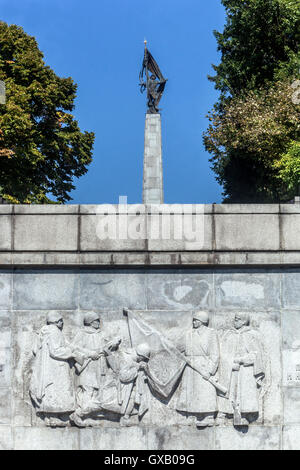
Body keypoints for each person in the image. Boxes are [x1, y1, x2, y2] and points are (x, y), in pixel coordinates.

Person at [29, 312, 83, 427]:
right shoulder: (55, 331)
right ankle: (54, 418)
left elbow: (35, 349)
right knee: (57, 390)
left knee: (51, 391)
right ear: (57, 321)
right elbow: (55, 351)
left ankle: (51, 417)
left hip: (50, 367)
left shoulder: (44, 331)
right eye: (61, 320)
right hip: (56, 367)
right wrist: (71, 353)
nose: (62, 323)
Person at [70, 312, 121, 426]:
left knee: (98, 390)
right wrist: (90, 353)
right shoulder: (82, 334)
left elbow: (108, 344)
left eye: (98, 320)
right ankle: (80, 416)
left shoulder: (101, 334)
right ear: (90, 322)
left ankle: (90, 415)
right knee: (88, 389)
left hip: (100, 366)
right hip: (88, 366)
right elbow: (73, 348)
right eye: (96, 321)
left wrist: (115, 341)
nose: (98, 323)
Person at [217, 313, 266, 426]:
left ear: (244, 321)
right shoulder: (229, 335)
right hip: (231, 369)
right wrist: (230, 362)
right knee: (230, 391)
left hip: (246, 370)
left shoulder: (252, 335)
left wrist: (241, 360)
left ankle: (245, 415)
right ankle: (229, 413)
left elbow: (256, 355)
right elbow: (222, 354)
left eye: (237, 319)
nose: (235, 321)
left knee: (245, 392)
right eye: (235, 319)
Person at [176, 311, 220, 427]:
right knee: (190, 390)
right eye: (194, 320)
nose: (194, 322)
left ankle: (209, 416)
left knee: (205, 390)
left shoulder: (211, 333)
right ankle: (191, 415)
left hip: (204, 365)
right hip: (190, 365)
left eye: (196, 320)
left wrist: (210, 370)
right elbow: (179, 347)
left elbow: (215, 354)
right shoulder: (189, 334)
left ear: (203, 321)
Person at [117, 343, 151, 427]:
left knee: (133, 397)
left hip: (130, 387)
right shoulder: (128, 359)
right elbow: (123, 377)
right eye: (144, 358)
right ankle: (124, 418)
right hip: (123, 388)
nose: (143, 360)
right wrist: (137, 368)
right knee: (131, 398)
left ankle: (126, 417)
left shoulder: (133, 360)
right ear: (141, 356)